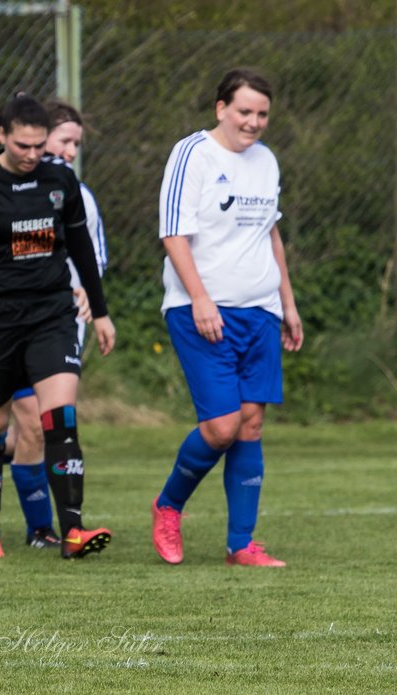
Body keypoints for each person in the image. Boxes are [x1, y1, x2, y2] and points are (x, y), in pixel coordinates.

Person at [0, 92, 115, 561]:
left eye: (39, 146)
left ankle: (73, 531)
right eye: (23, 145)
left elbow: (81, 248)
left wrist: (99, 313)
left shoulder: (60, 179)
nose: (32, 155)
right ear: (2, 136)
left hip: (51, 316)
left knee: (59, 420)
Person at [150, 69, 303, 567]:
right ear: (221, 109)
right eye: (244, 111)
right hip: (202, 310)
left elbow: (270, 235)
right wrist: (200, 298)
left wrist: (288, 303)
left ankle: (242, 544)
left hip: (260, 309)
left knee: (252, 425)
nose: (254, 122)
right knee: (222, 426)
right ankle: (169, 505)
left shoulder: (266, 161)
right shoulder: (192, 153)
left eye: (262, 114)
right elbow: (173, 233)